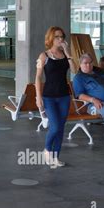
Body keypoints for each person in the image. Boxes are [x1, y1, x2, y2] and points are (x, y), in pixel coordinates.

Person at [35, 27, 77, 168]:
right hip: (49, 96)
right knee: (55, 126)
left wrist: (68, 52)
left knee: (61, 128)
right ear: (51, 38)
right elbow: (38, 77)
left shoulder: (66, 55)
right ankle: (47, 149)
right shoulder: (44, 56)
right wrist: (38, 96)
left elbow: (74, 70)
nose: (60, 39)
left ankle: (55, 157)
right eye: (57, 37)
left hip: (64, 96)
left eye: (62, 36)